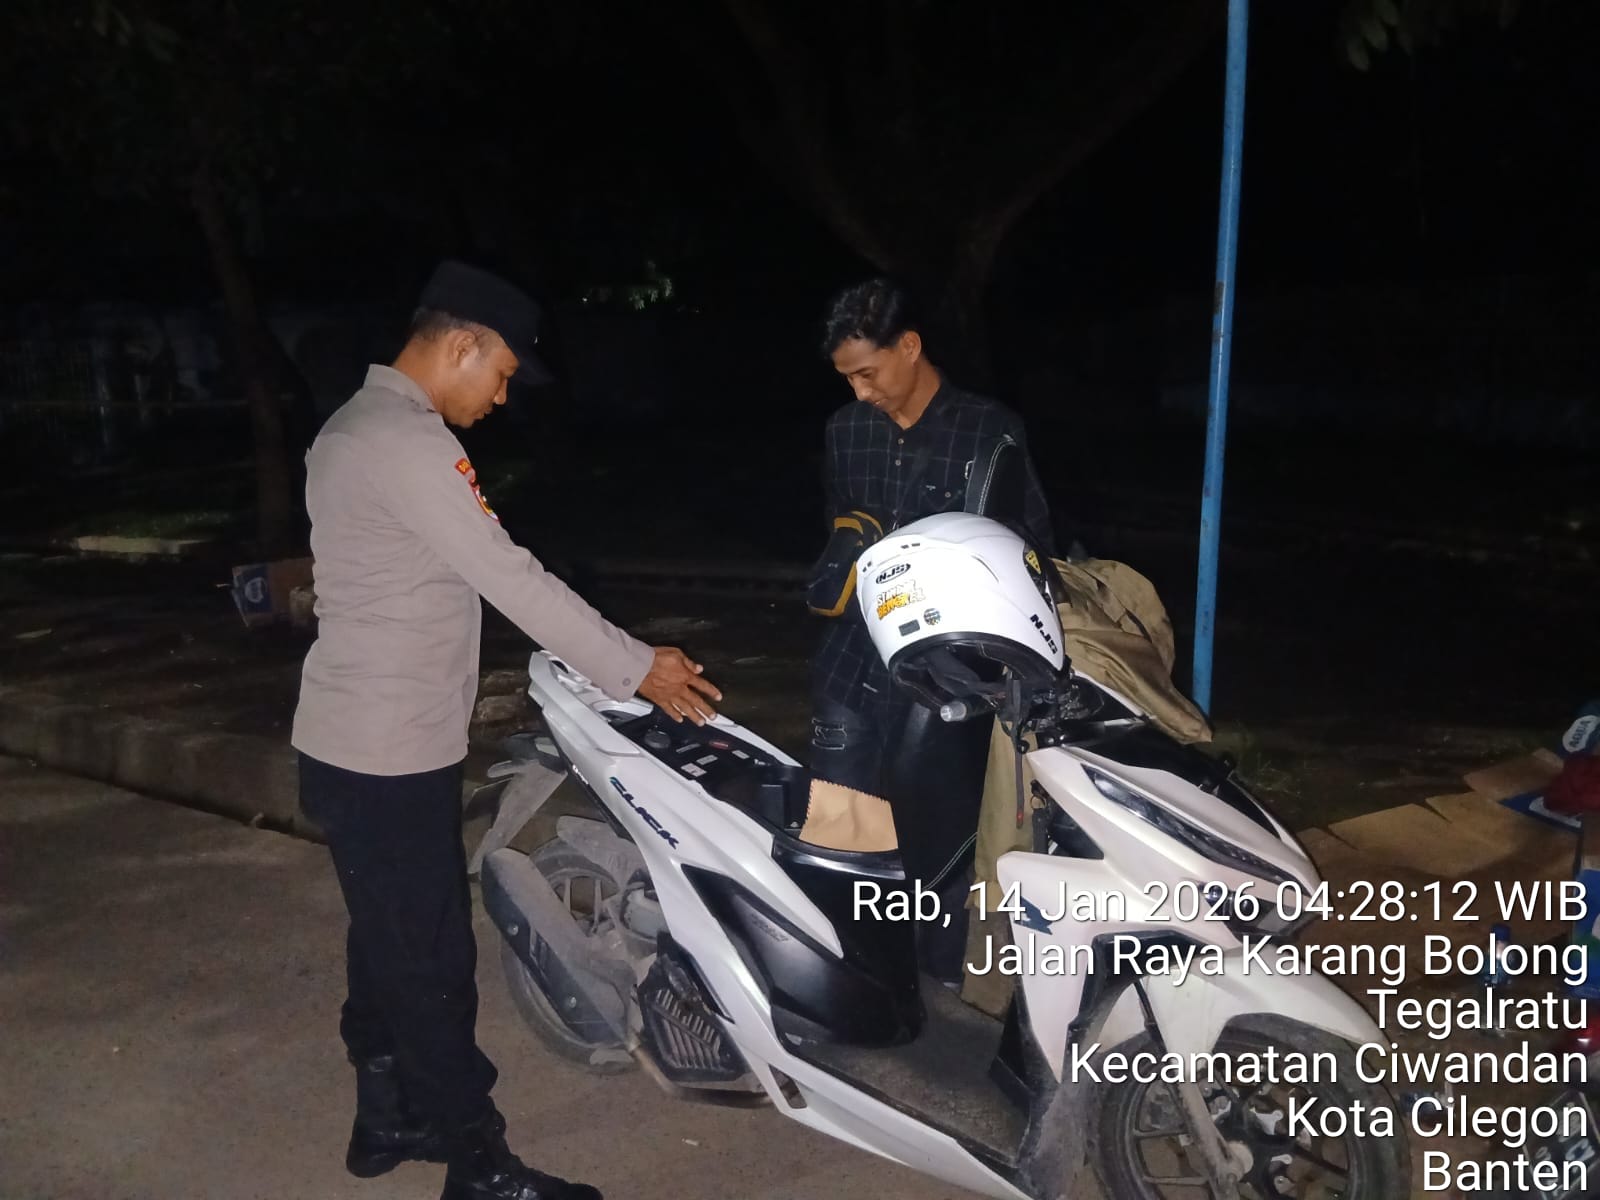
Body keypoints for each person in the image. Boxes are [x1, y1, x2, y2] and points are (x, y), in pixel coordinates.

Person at [291, 259, 721, 1200]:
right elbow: (508, 574)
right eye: (500, 375)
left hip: (350, 740)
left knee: (386, 937)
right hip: (386, 750)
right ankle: (478, 1166)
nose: (499, 397)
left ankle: (386, 1114)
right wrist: (633, 663)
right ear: (461, 345)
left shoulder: (349, 426)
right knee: (432, 960)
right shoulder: (408, 442)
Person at [809, 278, 1054, 979]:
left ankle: (942, 981)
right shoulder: (845, 430)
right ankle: (854, 975)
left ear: (909, 347)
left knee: (940, 843)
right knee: (843, 837)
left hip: (946, 684)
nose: (859, 391)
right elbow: (838, 530)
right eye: (846, 378)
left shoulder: (989, 429)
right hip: (851, 667)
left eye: (867, 372)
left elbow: (1030, 546)